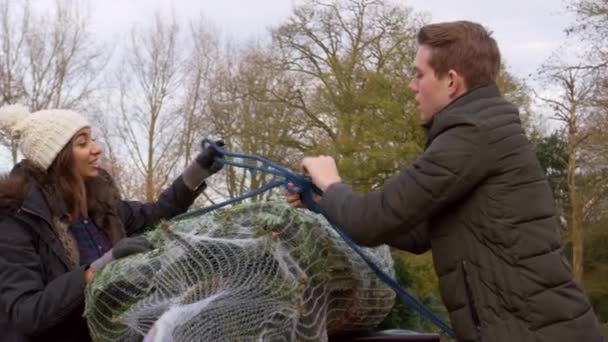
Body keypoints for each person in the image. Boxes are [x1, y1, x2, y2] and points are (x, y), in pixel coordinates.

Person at [287, 21, 604, 341]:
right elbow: (414, 230)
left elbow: (372, 220)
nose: (413, 86)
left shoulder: (472, 134)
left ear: (451, 81)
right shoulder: (481, 130)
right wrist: (321, 203)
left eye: (419, 74)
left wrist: (330, 181)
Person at [0, 104, 224, 342]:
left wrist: (198, 170)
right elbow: (26, 314)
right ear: (56, 157)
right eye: (82, 143)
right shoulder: (16, 220)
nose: (97, 149)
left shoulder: (102, 206)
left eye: (93, 140)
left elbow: (158, 212)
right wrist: (100, 268)